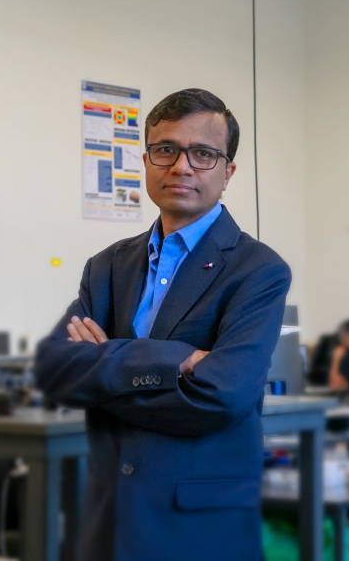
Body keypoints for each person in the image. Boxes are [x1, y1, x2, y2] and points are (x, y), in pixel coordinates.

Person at [35, 88, 290, 561]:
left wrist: (103, 368)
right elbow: (54, 370)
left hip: (199, 524)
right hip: (110, 516)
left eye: (204, 154)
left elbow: (224, 395)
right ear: (148, 159)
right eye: (166, 150)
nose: (181, 166)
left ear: (228, 171)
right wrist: (178, 360)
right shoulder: (107, 266)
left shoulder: (259, 270)